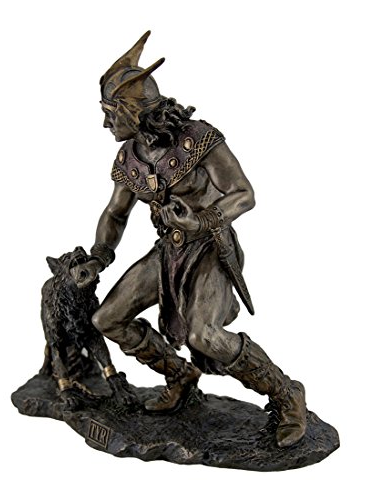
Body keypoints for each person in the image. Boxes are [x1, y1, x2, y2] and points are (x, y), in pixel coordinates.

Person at [71, 31, 307, 448]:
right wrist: (99, 256)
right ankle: (179, 376)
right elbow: (115, 213)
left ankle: (286, 394)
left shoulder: (197, 138)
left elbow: (243, 194)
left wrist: (201, 221)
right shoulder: (129, 158)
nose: (106, 123)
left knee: (205, 336)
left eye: (110, 112)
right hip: (169, 250)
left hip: (210, 247)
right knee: (107, 319)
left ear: (132, 110)